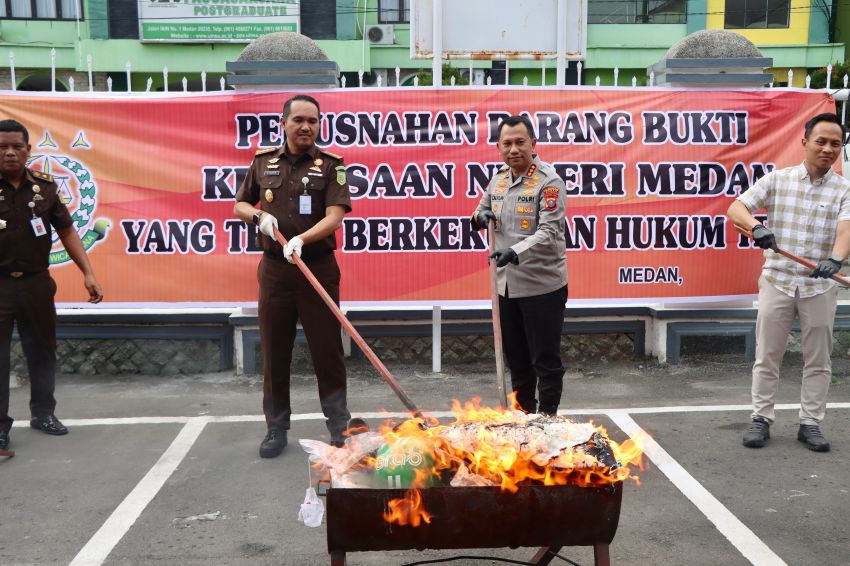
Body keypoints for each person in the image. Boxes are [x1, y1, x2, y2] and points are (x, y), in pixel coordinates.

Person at [234, 95, 352, 458]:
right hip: (275, 273)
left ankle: (339, 425)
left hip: (316, 267)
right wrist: (259, 218)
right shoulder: (262, 162)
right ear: (283, 122)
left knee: (327, 350)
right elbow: (240, 204)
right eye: (298, 120)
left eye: (313, 121)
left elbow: (335, 215)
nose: (306, 127)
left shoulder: (331, 165)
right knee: (275, 350)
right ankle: (275, 427)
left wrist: (301, 238)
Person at [727, 112, 850, 452]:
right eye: (821, 141)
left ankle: (810, 423)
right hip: (777, 280)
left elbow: (846, 229)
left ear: (841, 148)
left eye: (835, 144)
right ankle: (760, 419)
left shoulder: (845, 189)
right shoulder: (777, 180)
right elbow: (736, 208)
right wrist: (756, 227)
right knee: (767, 355)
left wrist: (836, 259)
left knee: (819, 359)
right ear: (805, 143)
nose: (827, 149)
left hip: (820, 286)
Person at [0, 119, 103, 452]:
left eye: (17, 146)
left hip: (36, 285)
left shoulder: (44, 188)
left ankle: (43, 414)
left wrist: (88, 272)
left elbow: (67, 230)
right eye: (2, 147)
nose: (10, 153)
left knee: (42, 352)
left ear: (29, 150)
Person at [470, 115, 568, 415]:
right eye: (506, 143)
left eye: (520, 142)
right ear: (499, 147)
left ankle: (548, 418)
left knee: (544, 360)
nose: (513, 149)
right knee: (518, 361)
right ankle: (523, 419)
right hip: (505, 287)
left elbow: (549, 231)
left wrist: (514, 250)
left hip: (542, 286)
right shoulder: (498, 178)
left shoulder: (549, 182)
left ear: (533, 144)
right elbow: (480, 210)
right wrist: (479, 218)